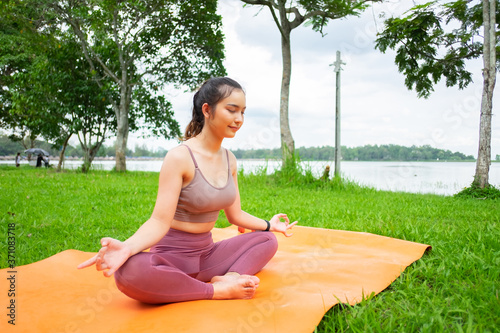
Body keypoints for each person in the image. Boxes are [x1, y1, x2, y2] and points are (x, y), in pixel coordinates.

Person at [78, 77, 297, 304]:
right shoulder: (180, 157)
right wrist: (127, 247)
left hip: (208, 255)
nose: (239, 119)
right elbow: (158, 221)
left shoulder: (230, 160)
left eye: (243, 112)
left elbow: (236, 215)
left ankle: (229, 278)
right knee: (130, 272)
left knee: (266, 241)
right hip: (171, 258)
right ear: (207, 110)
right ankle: (214, 291)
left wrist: (271, 226)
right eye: (232, 110)